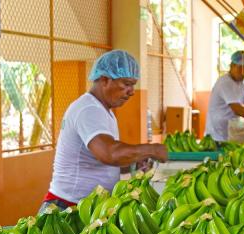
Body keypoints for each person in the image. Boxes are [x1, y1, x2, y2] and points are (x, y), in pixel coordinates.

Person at [42, 50, 168, 210]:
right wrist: (152, 149)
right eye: (127, 84)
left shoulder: (103, 111)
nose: (132, 92)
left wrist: (133, 161)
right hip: (67, 207)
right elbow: (109, 154)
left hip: (88, 206)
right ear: (104, 79)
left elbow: (100, 161)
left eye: (133, 85)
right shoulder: (88, 109)